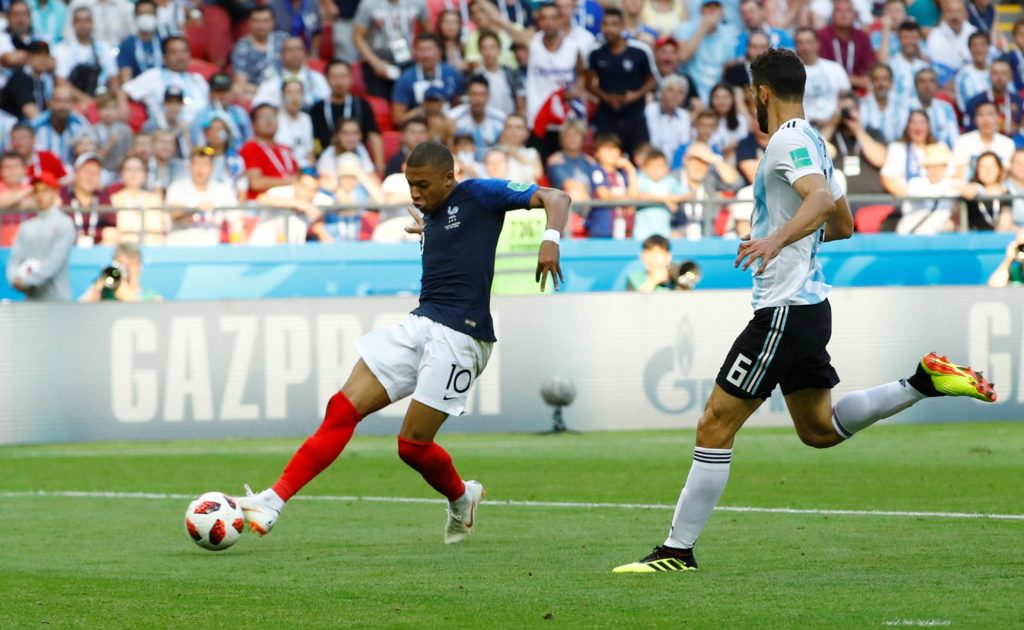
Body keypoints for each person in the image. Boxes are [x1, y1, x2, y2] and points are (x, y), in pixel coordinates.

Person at [612, 47, 996, 575]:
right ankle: (922, 382)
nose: (751, 100)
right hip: (810, 305)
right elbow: (842, 224)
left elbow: (817, 203)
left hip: (785, 309)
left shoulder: (789, 141)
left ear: (762, 93)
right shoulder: (816, 140)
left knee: (714, 425)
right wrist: (794, 229)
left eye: (752, 93)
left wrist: (774, 239)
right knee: (818, 429)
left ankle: (676, 551)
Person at [235, 140, 570, 545]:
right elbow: (452, 240)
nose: (414, 193)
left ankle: (463, 496)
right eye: (411, 184)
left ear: (450, 177)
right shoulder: (433, 212)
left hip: (462, 336)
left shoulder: (481, 193)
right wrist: (430, 230)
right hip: (422, 322)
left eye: (423, 184)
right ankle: (273, 499)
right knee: (341, 408)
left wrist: (550, 239)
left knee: (411, 447)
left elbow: (557, 196)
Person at [586, 7, 657, 157]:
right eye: (605, 24)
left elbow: (653, 80)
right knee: (606, 160)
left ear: (623, 26)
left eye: (614, 24)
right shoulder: (595, 53)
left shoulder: (640, 51)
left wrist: (636, 94)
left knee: (642, 158)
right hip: (607, 116)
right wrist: (607, 98)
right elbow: (589, 83)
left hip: (635, 116)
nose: (609, 29)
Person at [5, 171, 75, 302]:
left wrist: (26, 281)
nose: (40, 195)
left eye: (45, 190)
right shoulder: (26, 226)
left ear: (55, 192)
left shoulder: (64, 223)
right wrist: (14, 278)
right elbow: (15, 258)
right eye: (36, 191)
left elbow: (54, 262)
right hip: (33, 299)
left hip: (57, 300)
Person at [309, 60, 382, 170]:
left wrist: (380, 164)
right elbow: (312, 140)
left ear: (351, 79)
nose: (339, 82)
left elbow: (374, 134)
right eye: (334, 77)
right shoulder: (317, 108)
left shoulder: (361, 105)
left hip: (358, 158)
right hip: (327, 161)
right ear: (327, 79)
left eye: (343, 76)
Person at [353, 0, 432, 99]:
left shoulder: (417, 3)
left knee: (408, 100)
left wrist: (419, 53)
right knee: (380, 102)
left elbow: (428, 32)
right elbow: (358, 36)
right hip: (379, 58)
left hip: (407, 58)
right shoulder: (369, 4)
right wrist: (375, 62)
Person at [122, 36, 209, 124]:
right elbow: (124, 90)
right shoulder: (154, 75)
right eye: (174, 52)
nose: (181, 57)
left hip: (203, 130)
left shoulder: (197, 79)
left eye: (184, 51)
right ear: (164, 57)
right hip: (166, 130)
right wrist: (122, 108)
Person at [165, 146, 242, 245]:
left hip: (211, 249)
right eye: (197, 164)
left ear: (212, 168)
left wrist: (237, 246)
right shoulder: (177, 187)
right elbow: (174, 212)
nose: (200, 169)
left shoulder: (222, 190)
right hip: (180, 247)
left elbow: (236, 221)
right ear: (190, 167)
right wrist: (196, 208)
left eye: (205, 164)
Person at [824, 92, 888, 207]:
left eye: (850, 109)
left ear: (858, 110)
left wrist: (858, 129)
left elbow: (880, 159)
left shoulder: (872, 132)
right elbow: (816, 149)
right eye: (842, 109)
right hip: (839, 202)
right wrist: (832, 124)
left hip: (872, 201)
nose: (846, 113)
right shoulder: (832, 135)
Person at [675, 0, 738, 104]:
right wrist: (703, 28)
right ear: (701, 9)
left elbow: (730, 65)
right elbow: (683, 57)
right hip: (691, 90)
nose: (712, 11)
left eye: (716, 7)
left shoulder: (729, 34)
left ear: (722, 10)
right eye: (708, 7)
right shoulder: (685, 28)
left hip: (718, 91)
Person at [52, 7, 119, 101]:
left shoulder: (104, 47)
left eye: (87, 20)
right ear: (73, 24)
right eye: (79, 21)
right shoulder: (61, 49)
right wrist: (87, 101)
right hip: (74, 101)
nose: (83, 24)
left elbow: (113, 79)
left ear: (93, 23)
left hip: (102, 99)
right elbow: (61, 82)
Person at [897, 141, 964, 234]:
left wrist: (969, 188)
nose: (935, 170)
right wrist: (954, 186)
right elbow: (932, 192)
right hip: (912, 234)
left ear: (945, 167)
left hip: (937, 237)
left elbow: (978, 190)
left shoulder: (951, 185)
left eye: (939, 166)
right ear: (926, 168)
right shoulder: (915, 183)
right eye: (931, 166)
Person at [251, 36, 330, 109]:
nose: (294, 53)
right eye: (289, 50)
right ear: (281, 55)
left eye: (298, 49)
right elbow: (258, 108)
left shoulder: (318, 79)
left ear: (305, 53)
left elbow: (329, 104)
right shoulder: (271, 81)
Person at [241, 103, 300, 200]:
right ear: (253, 124)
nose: (268, 120)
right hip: (264, 204)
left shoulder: (286, 148)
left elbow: (299, 176)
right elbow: (256, 183)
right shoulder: (250, 147)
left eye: (272, 116)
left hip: (293, 200)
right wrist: (289, 182)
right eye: (263, 117)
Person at [796, 27, 851, 129]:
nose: (805, 47)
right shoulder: (791, 72)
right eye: (801, 43)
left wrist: (835, 118)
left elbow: (847, 96)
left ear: (818, 43)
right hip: (805, 127)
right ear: (796, 46)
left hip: (836, 125)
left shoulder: (835, 68)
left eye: (809, 42)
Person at [229, 5, 287, 99]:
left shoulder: (283, 40)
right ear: (250, 23)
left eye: (265, 21)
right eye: (256, 21)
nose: (261, 26)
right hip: (258, 94)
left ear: (273, 22)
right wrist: (270, 91)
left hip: (288, 90)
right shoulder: (242, 47)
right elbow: (241, 83)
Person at [817, 0, 876, 91]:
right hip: (828, 88)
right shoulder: (821, 36)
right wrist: (850, 80)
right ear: (832, 15)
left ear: (855, 15)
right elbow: (820, 69)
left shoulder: (862, 36)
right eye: (839, 11)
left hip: (858, 92)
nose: (843, 15)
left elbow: (870, 70)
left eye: (848, 11)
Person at [881, 109, 940, 199]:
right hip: (909, 203)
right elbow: (887, 178)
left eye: (922, 122)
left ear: (929, 126)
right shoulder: (897, 149)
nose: (918, 127)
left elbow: (951, 176)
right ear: (907, 127)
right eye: (914, 123)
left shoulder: (940, 148)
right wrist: (910, 197)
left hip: (938, 202)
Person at [634, 149, 688, 242]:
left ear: (666, 168)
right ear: (644, 168)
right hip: (642, 234)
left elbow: (688, 193)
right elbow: (638, 195)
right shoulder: (641, 180)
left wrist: (675, 198)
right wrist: (664, 200)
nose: (655, 170)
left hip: (664, 233)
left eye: (659, 166)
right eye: (652, 166)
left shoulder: (670, 181)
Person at [952, 101, 1015, 180]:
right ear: (975, 119)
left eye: (990, 114)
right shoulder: (963, 142)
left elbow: (1007, 174)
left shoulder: (1008, 144)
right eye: (980, 115)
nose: (986, 120)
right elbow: (958, 174)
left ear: (998, 118)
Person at [79, 241, 161, 302]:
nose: (123, 270)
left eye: (129, 265)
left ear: (138, 267)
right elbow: (78, 312)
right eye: (120, 264)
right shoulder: (103, 289)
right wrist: (96, 292)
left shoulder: (151, 297)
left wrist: (130, 296)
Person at [112, 154, 166, 244]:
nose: (133, 174)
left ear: (145, 173)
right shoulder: (114, 199)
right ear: (121, 173)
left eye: (138, 169)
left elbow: (160, 231)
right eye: (128, 169)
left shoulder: (155, 199)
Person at [31, 83, 91, 164]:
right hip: (45, 172)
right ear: (50, 103)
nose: (63, 106)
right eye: (58, 101)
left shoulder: (80, 124)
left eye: (67, 101)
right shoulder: (36, 125)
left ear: (73, 104)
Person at [446, 75, 506, 150]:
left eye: (482, 94)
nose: (478, 100)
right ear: (468, 96)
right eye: (474, 94)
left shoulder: (500, 118)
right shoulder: (453, 117)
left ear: (488, 96)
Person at [965, 61, 1023, 135]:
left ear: (1010, 76)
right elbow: (970, 132)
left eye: (1004, 73)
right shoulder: (975, 102)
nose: (999, 78)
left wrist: (1018, 129)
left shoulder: (1019, 102)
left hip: (1013, 144)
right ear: (989, 76)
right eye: (995, 73)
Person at [2, 40, 55, 121]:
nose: (42, 59)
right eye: (37, 55)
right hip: (11, 126)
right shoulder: (20, 78)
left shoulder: (43, 80)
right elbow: (30, 111)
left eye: (45, 55)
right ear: (28, 57)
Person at [927, 0, 975, 87]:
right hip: (943, 86)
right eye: (950, 11)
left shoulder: (974, 34)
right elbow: (935, 65)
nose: (954, 15)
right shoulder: (934, 35)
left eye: (958, 11)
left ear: (966, 14)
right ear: (944, 14)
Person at [910, 68, 961, 148]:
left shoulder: (946, 108)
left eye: (931, 81)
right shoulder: (906, 108)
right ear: (916, 86)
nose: (927, 86)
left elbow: (954, 139)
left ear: (937, 85)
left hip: (942, 155)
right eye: (922, 81)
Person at [645, 75, 691, 162]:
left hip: (676, 165)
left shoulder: (684, 115)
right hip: (651, 161)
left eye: (680, 92)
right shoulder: (649, 111)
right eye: (671, 90)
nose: (675, 95)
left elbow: (683, 145)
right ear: (661, 92)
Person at [116, 0, 163, 83]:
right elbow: (126, 79)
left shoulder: (164, 43)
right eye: (141, 14)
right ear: (135, 17)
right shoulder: (127, 45)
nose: (145, 17)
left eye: (149, 13)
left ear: (156, 16)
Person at [961, 150, 1010, 231]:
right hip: (973, 239)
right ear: (977, 170)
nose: (987, 170)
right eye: (983, 166)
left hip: (998, 239)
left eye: (991, 166)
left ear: (999, 169)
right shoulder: (973, 188)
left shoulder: (1005, 192)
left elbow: (1005, 224)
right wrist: (971, 188)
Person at [88, 92, 133, 173]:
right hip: (101, 170)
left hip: (121, 171)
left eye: (112, 108)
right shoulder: (93, 131)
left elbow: (129, 152)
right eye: (104, 108)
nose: (108, 112)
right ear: (98, 111)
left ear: (117, 110)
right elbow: (93, 158)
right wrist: (110, 143)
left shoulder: (125, 130)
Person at [859, 63, 905, 144]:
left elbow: (903, 136)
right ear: (871, 82)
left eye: (885, 79)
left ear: (891, 82)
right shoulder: (861, 106)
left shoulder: (901, 107)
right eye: (876, 79)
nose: (881, 84)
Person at [545, 119, 595, 192]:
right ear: (562, 139)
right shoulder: (555, 160)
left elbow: (600, 183)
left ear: (583, 138)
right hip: (565, 199)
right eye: (568, 135)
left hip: (591, 199)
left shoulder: (590, 161)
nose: (572, 138)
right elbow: (568, 184)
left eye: (576, 134)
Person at [887, 21, 930, 105]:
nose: (910, 42)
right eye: (906, 37)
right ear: (899, 39)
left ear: (919, 40)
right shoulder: (890, 65)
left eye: (914, 37)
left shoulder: (924, 67)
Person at [275, 79, 315, 168]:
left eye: (298, 92)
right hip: (284, 168)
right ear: (282, 96)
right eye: (289, 92)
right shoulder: (275, 119)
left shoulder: (306, 119)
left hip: (305, 169)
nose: (294, 97)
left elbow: (310, 152)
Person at [954, 31, 991, 115]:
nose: (979, 49)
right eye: (974, 46)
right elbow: (963, 106)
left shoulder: (997, 70)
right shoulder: (963, 75)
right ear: (969, 49)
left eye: (982, 44)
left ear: (988, 47)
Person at [0, 152, 33, 247]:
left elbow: (56, 201)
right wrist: (24, 195)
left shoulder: (32, 188)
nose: (12, 171)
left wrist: (10, 202)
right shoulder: (29, 190)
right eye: (7, 167)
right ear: (1, 170)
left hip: (28, 249)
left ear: (25, 169)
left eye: (16, 166)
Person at [708, 84, 749, 161]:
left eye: (726, 97)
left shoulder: (740, 120)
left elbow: (743, 145)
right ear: (711, 100)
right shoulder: (706, 121)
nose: (722, 102)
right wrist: (724, 150)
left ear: (732, 99)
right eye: (717, 97)